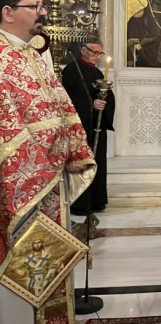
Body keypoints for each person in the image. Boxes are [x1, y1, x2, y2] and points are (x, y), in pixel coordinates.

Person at [0, 0, 95, 324]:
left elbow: (62, 108)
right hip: (20, 192)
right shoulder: (1, 60)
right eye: (35, 6)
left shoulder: (32, 56)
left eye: (41, 5)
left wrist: (74, 152)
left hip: (50, 186)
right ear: (8, 13)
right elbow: (7, 130)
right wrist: (42, 166)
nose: (43, 12)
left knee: (48, 272)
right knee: (19, 280)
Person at [62, 40, 116, 215]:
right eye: (94, 52)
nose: (97, 57)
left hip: (96, 126)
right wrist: (91, 105)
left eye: (100, 54)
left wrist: (104, 102)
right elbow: (67, 99)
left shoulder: (97, 72)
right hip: (80, 126)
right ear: (83, 50)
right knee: (83, 160)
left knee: (97, 160)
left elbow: (108, 97)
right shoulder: (71, 70)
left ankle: (96, 201)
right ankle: (80, 203)